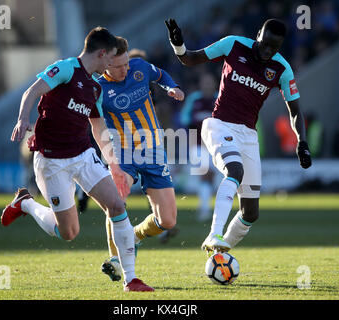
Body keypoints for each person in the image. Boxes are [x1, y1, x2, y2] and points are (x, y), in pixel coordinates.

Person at [1, 27, 153, 292]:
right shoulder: (66, 69)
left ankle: (131, 279)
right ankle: (26, 204)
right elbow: (32, 91)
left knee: (117, 206)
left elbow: (98, 127)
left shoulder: (95, 87)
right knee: (68, 233)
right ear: (101, 53)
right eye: (110, 59)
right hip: (51, 160)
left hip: (83, 155)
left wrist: (113, 162)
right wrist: (23, 118)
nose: (110, 65)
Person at [165, 18, 312, 254]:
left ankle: (219, 255)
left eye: (273, 48)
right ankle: (214, 233)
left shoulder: (282, 68)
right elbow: (190, 59)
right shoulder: (233, 45)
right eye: (264, 44)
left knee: (250, 213)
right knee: (235, 171)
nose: (267, 52)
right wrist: (179, 45)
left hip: (248, 136)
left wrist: (302, 142)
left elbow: (295, 110)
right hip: (219, 125)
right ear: (258, 35)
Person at [97, 36, 184, 282]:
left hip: (153, 148)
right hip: (123, 152)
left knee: (167, 220)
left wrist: (171, 87)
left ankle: (133, 237)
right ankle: (116, 257)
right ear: (105, 64)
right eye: (119, 66)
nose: (126, 68)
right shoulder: (97, 88)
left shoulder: (140, 67)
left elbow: (161, 75)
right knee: (116, 201)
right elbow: (90, 121)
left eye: (127, 63)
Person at [179, 72, 219, 221]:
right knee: (205, 174)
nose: (207, 85)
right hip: (197, 145)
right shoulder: (194, 99)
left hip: (216, 145)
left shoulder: (219, 98)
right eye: (205, 82)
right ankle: (205, 209)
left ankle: (207, 207)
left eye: (210, 82)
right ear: (200, 84)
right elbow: (184, 119)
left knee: (212, 177)